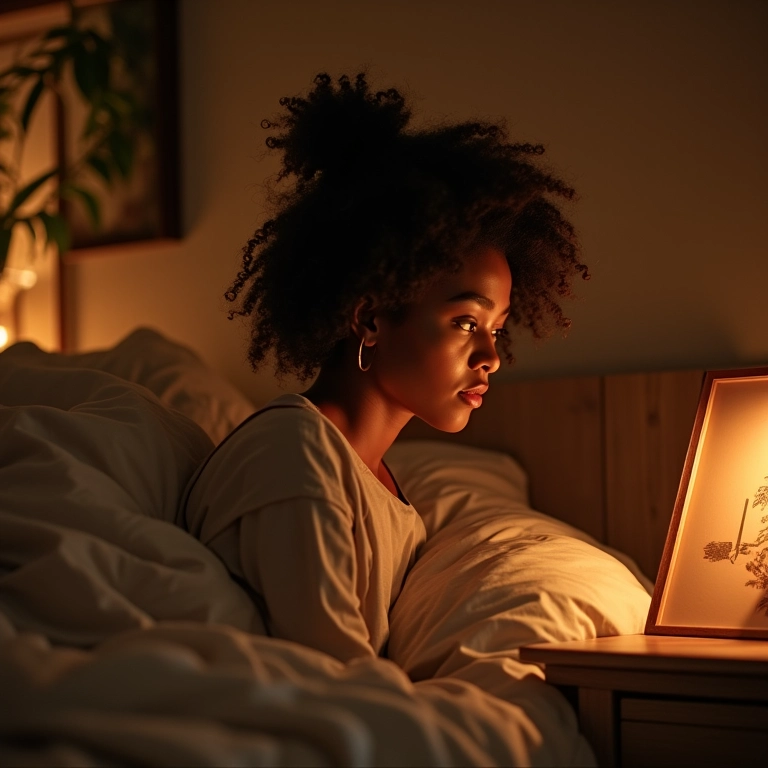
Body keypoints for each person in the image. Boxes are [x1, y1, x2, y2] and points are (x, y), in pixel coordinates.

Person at [182, 72, 588, 663]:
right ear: (370, 319)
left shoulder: (375, 480)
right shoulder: (297, 457)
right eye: (466, 322)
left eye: (497, 329)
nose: (492, 357)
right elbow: (330, 674)